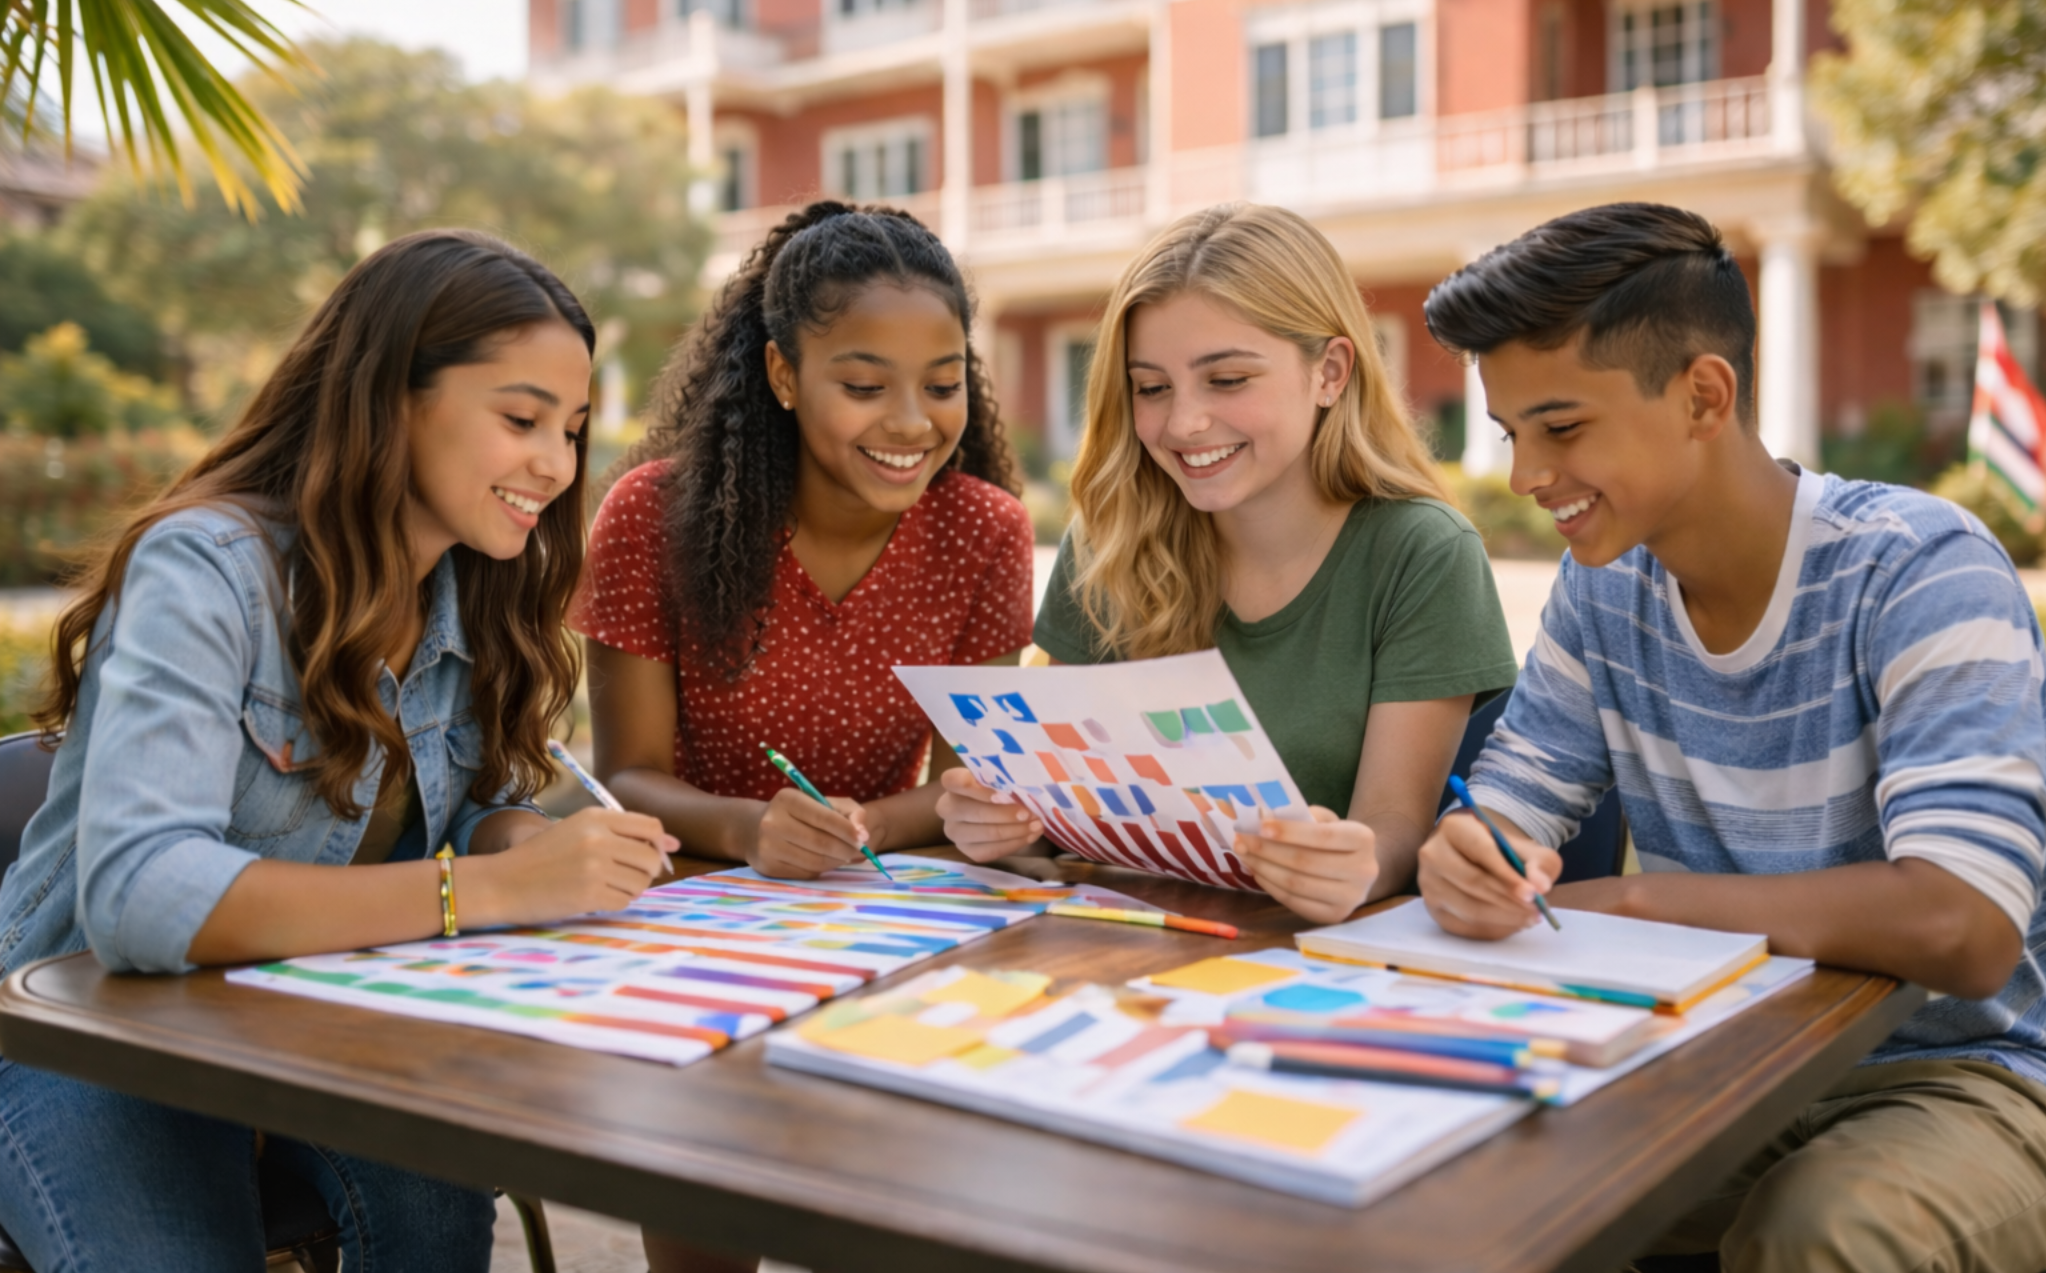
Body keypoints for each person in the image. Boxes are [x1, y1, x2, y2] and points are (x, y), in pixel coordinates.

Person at [0, 229, 679, 1273]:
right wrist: (475, 892)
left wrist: (520, 846)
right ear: (391, 397)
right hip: (85, 1034)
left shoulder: (475, 593)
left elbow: (472, 807)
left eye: (574, 428)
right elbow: (141, 895)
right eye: (520, 418)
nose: (556, 463)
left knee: (436, 1217)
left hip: (315, 1022)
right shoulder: (207, 571)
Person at [1416, 201, 2046, 1272]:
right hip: (1716, 1064)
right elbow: (1501, 811)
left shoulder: (1918, 568)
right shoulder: (1600, 588)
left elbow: (1966, 925)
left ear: (1703, 394)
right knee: (1449, 1191)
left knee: (1823, 1231)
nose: (1525, 476)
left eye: (1560, 428)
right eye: (1511, 435)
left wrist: (1633, 899)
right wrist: (1466, 858)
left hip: (1963, 1078)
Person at [577, 202, 1032, 1272]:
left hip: (883, 924)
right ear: (783, 376)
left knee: (880, 1220)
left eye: (942, 381)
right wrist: (749, 831)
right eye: (863, 386)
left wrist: (869, 821)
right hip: (693, 931)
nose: (910, 421)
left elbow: (966, 790)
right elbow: (626, 775)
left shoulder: (982, 530)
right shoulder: (655, 514)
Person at [939, 202, 1519, 924]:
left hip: (1305, 962)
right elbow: (1058, 820)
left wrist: (1354, 866)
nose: (1182, 424)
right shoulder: (1109, 540)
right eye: (1151, 388)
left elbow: (1393, 831)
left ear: (1330, 372)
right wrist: (998, 825)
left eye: (1228, 379)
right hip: (1124, 952)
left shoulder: (1422, 553)